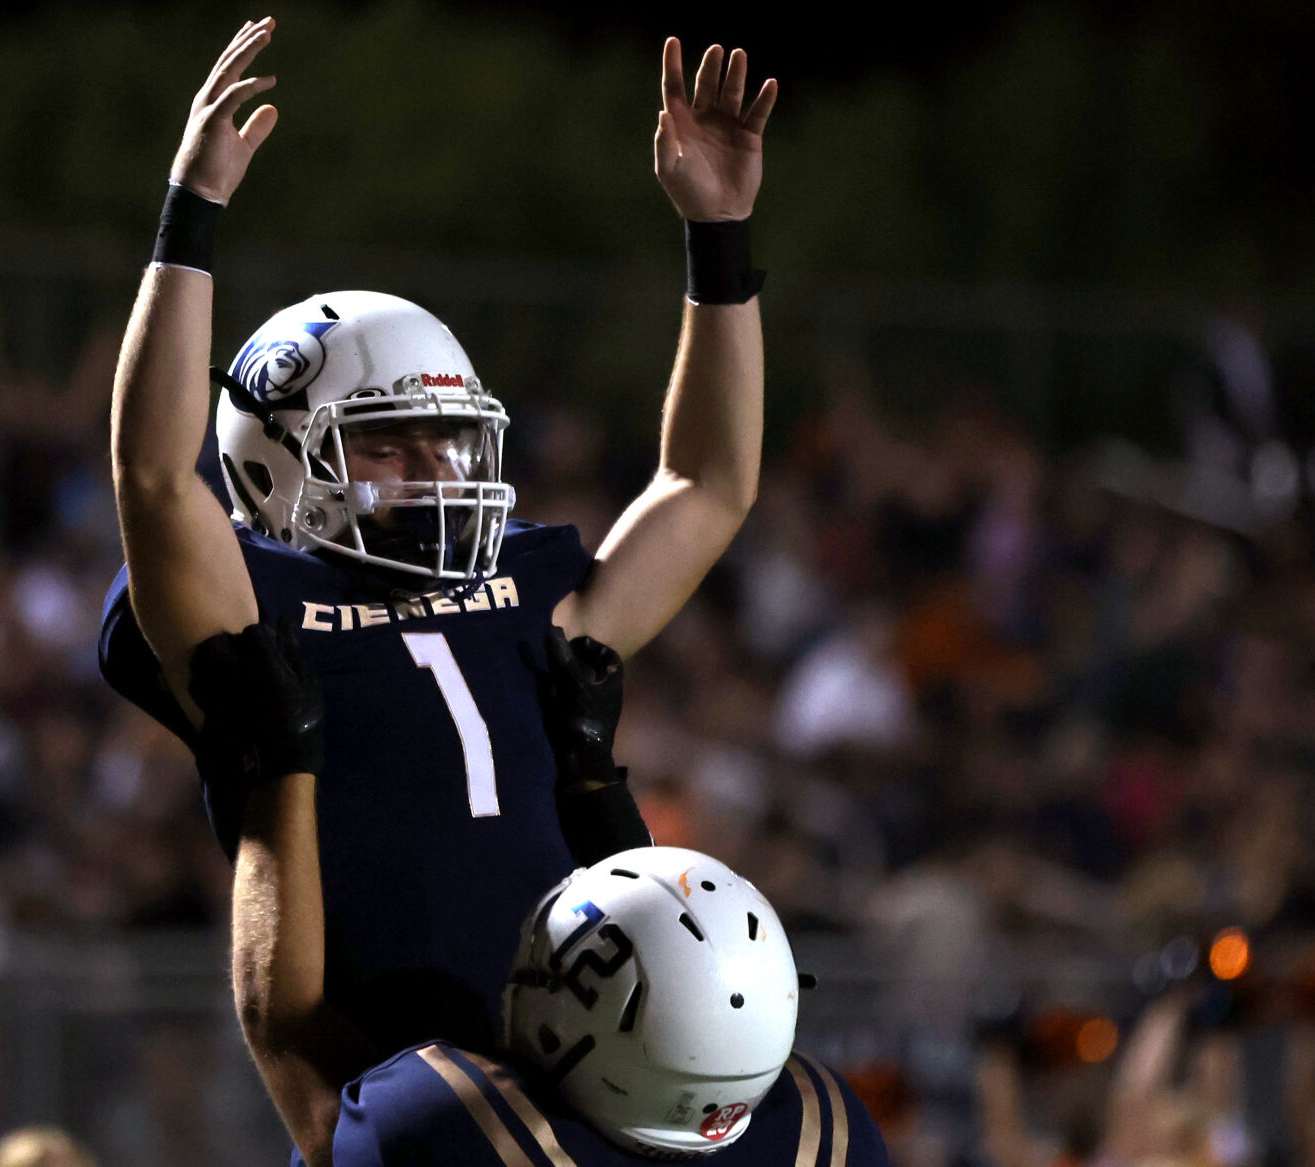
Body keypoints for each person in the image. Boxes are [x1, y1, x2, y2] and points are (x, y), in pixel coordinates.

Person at [100, 16, 777, 1056]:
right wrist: (190, 217)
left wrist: (719, 240)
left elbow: (709, 484)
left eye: (449, 444)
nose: (433, 474)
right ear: (272, 459)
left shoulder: (526, 582)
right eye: (387, 447)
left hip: (577, 1067)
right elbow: (150, 477)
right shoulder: (254, 603)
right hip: (390, 1082)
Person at [208, 620, 890, 1167]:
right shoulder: (826, 1127)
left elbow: (291, 1035)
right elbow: (666, 950)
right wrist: (596, 781)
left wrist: (282, 773)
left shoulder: (447, 1126)